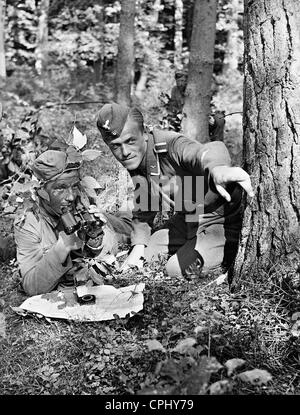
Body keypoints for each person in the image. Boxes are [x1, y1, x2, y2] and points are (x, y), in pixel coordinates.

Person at [96, 102, 254, 278]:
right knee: (149, 253)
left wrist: (218, 168)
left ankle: (231, 246)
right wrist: (136, 251)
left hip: (220, 220)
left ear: (144, 134)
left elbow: (210, 150)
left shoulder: (170, 144)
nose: (124, 152)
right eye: (115, 146)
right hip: (188, 218)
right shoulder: (139, 160)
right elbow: (145, 208)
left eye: (130, 141)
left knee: (175, 269)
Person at [14, 147, 132, 296]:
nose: (70, 196)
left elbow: (111, 247)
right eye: (61, 188)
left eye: (74, 186)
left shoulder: (78, 200)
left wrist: (96, 242)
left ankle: (128, 205)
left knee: (130, 230)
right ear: (41, 191)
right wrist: (61, 248)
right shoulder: (27, 220)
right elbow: (32, 286)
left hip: (117, 221)